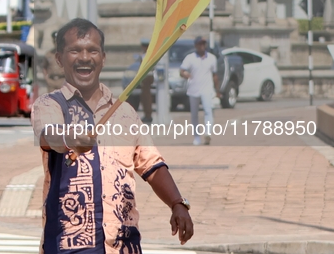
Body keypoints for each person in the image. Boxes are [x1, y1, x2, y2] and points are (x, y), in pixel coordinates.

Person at [31, 18, 193, 254]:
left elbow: (152, 164)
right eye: (74, 50)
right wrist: (70, 138)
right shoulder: (50, 105)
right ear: (59, 58)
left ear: (103, 58)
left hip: (124, 246)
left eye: (92, 51)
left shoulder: (124, 112)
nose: (84, 57)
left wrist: (177, 203)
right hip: (69, 247)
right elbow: (49, 135)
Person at [179, 36, 221, 146]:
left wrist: (218, 90)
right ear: (196, 45)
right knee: (194, 114)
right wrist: (186, 74)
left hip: (207, 89)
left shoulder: (212, 58)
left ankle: (207, 133)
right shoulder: (190, 58)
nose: (202, 46)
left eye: (203, 44)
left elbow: (215, 75)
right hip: (193, 89)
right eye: (200, 44)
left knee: (208, 111)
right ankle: (196, 137)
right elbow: (182, 71)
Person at [137, 39, 154, 124]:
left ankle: (148, 115)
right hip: (146, 76)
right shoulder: (149, 55)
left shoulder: (146, 56)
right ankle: (147, 114)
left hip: (147, 76)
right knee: (144, 97)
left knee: (146, 97)